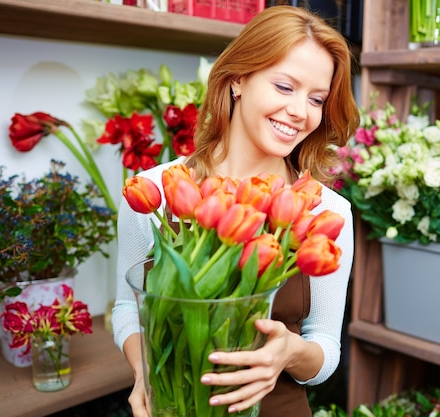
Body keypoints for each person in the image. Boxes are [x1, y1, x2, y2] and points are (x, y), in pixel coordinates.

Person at [111, 5, 360, 417]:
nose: (301, 112)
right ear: (238, 79)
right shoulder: (157, 189)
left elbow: (325, 349)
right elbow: (127, 309)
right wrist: (146, 376)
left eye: (316, 99)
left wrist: (291, 351)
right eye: (284, 87)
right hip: (174, 407)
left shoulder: (326, 211)